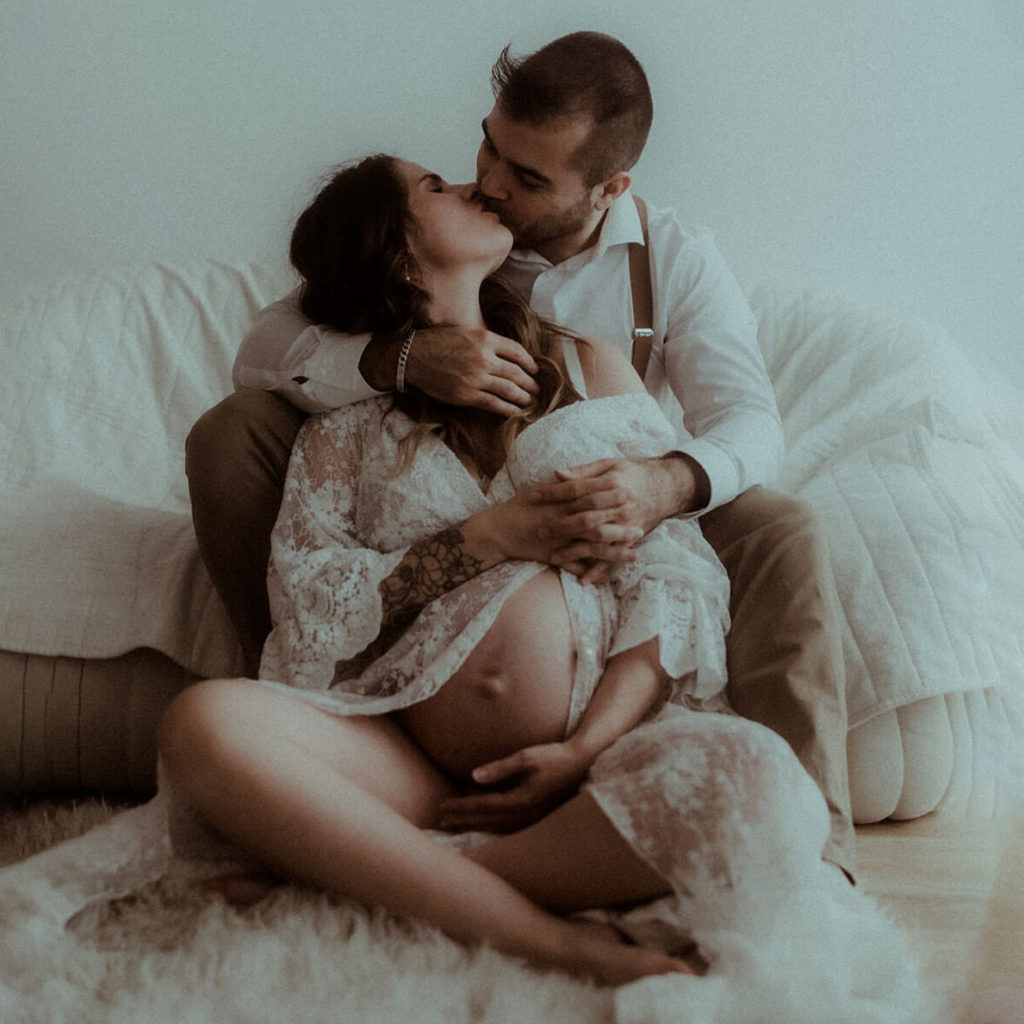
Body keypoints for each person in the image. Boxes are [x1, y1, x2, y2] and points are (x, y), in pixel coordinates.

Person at [185, 31, 854, 879]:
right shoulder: (430, 240)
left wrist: (664, 480)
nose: (492, 186)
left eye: (528, 179)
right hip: (422, 475)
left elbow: (750, 422)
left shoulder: (671, 264)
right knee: (232, 429)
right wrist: (401, 360)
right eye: (489, 151)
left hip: (611, 496)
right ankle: (300, 720)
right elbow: (268, 345)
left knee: (782, 527)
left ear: (608, 189)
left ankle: (820, 857)